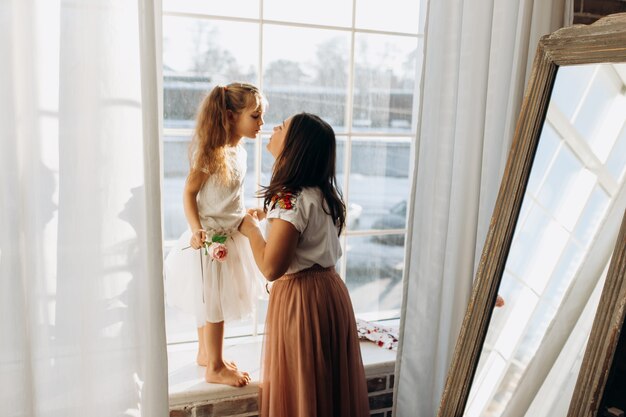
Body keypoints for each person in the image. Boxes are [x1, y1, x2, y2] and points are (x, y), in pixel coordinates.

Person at [239, 113, 370, 416]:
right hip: (330, 293)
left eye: (282, 127)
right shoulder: (324, 194)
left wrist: (250, 230)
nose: (273, 128)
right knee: (327, 388)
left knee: (304, 389)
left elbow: (272, 267)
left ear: (295, 145)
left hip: (302, 301)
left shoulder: (289, 198)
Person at [164, 82, 265, 387]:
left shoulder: (239, 151)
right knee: (213, 304)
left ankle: (205, 353)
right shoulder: (211, 153)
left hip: (230, 231)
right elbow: (190, 193)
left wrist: (245, 212)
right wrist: (197, 231)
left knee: (209, 299)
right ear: (231, 116)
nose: (261, 124)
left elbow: (228, 195)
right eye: (256, 116)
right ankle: (216, 367)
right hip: (211, 240)